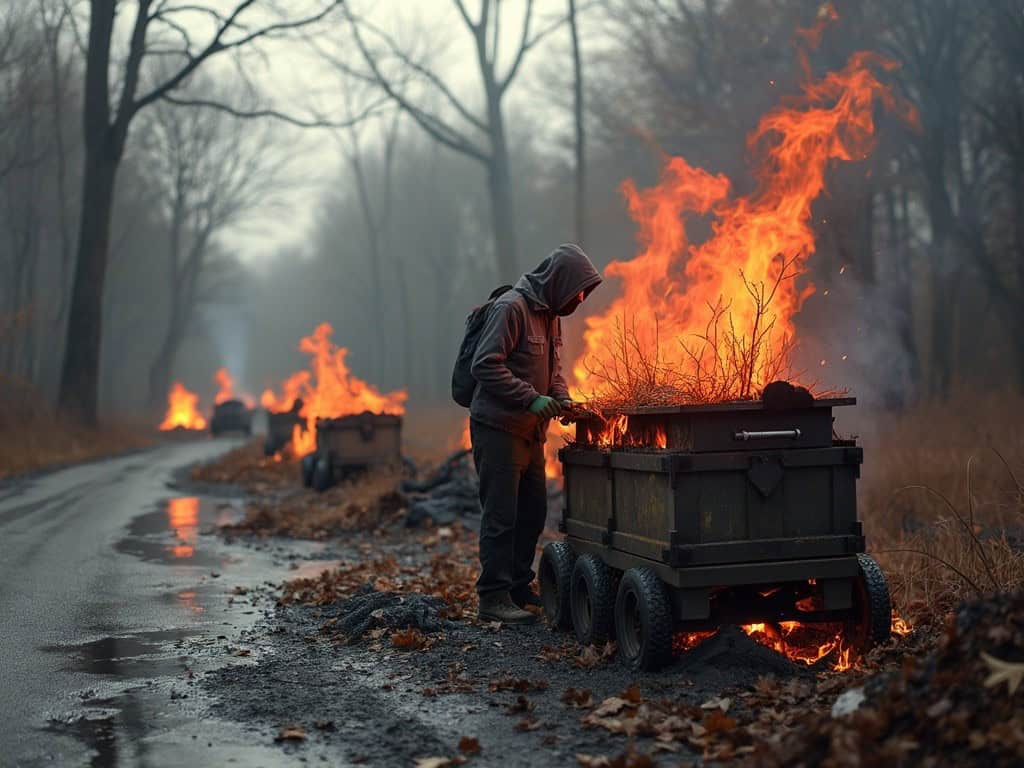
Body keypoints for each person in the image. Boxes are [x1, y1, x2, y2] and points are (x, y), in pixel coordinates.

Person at [469, 243, 601, 623]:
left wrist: (561, 399)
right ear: (558, 280)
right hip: (497, 429)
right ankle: (492, 597)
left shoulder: (551, 315)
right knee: (501, 515)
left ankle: (516, 587)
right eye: (577, 288)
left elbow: (554, 370)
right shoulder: (511, 308)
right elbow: (485, 365)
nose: (579, 297)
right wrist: (531, 399)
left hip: (530, 432)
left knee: (533, 512)